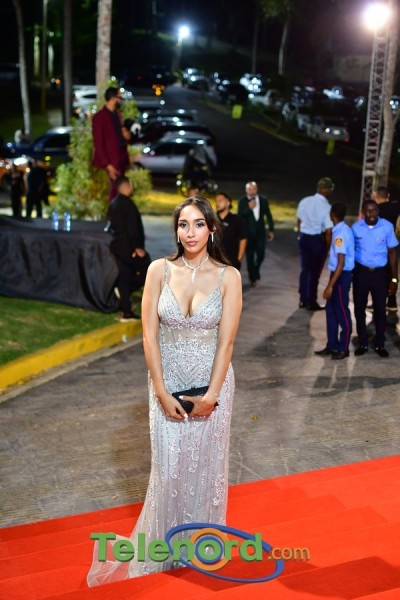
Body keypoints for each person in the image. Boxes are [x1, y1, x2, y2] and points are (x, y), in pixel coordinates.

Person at [87, 196, 242, 584]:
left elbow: (226, 343)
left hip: (213, 388)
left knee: (205, 470)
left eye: (198, 224)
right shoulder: (159, 270)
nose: (190, 232)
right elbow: (149, 335)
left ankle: (199, 549)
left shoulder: (229, 277)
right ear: (176, 230)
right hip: (166, 386)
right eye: (183, 224)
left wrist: (212, 396)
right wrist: (160, 390)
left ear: (212, 229)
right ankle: (162, 553)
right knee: (168, 471)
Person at [352, 199, 398, 358]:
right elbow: (350, 251)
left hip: (380, 275)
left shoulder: (387, 226)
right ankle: (363, 343)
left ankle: (380, 343)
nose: (372, 214)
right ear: (363, 212)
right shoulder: (356, 228)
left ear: (378, 211)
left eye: (374, 210)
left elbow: (392, 252)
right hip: (361, 273)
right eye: (368, 211)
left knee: (380, 310)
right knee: (359, 309)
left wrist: (394, 279)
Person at [314, 203, 355, 360]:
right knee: (330, 311)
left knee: (342, 312)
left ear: (332, 215)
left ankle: (343, 348)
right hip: (337, 274)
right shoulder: (341, 229)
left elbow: (341, 263)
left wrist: (330, 286)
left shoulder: (340, 234)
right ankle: (332, 345)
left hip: (341, 276)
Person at [108, 176, 150, 321]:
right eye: (130, 185)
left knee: (124, 275)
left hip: (117, 246)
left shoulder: (114, 203)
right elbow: (132, 229)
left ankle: (126, 310)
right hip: (128, 247)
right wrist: (137, 247)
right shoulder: (128, 205)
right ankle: (123, 291)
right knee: (147, 270)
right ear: (126, 187)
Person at [296, 177, 334, 310]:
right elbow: (328, 230)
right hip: (317, 240)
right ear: (327, 190)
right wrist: (328, 247)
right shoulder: (326, 207)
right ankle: (311, 302)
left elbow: (299, 220)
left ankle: (302, 299)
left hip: (304, 237)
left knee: (305, 269)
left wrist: (301, 233)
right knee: (314, 272)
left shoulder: (305, 201)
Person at [92, 87, 130, 200]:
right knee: (113, 194)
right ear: (113, 98)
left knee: (121, 192)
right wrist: (108, 165)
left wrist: (126, 136)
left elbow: (119, 136)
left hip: (121, 159)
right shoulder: (99, 117)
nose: (121, 101)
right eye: (119, 98)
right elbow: (98, 144)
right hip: (111, 162)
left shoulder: (118, 115)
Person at [238, 180, 274, 287]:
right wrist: (249, 209)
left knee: (261, 255)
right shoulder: (242, 201)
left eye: (253, 189)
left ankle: (256, 269)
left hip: (260, 233)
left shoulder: (263, 200)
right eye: (249, 189)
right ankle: (252, 278)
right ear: (246, 190)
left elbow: (268, 215)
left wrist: (271, 229)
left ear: (256, 189)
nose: (251, 191)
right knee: (249, 257)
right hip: (248, 234)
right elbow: (239, 216)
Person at [372, 185, 400, 312]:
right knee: (393, 273)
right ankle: (392, 302)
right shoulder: (396, 207)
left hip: (379, 247)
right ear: (388, 196)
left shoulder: (374, 210)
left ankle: (378, 302)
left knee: (379, 275)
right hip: (393, 246)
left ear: (375, 196)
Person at [216, 191, 247, 270]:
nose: (217, 203)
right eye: (217, 201)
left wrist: (240, 256)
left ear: (228, 202)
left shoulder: (237, 220)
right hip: (215, 260)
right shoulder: (212, 219)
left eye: (220, 200)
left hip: (232, 260)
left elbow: (243, 238)